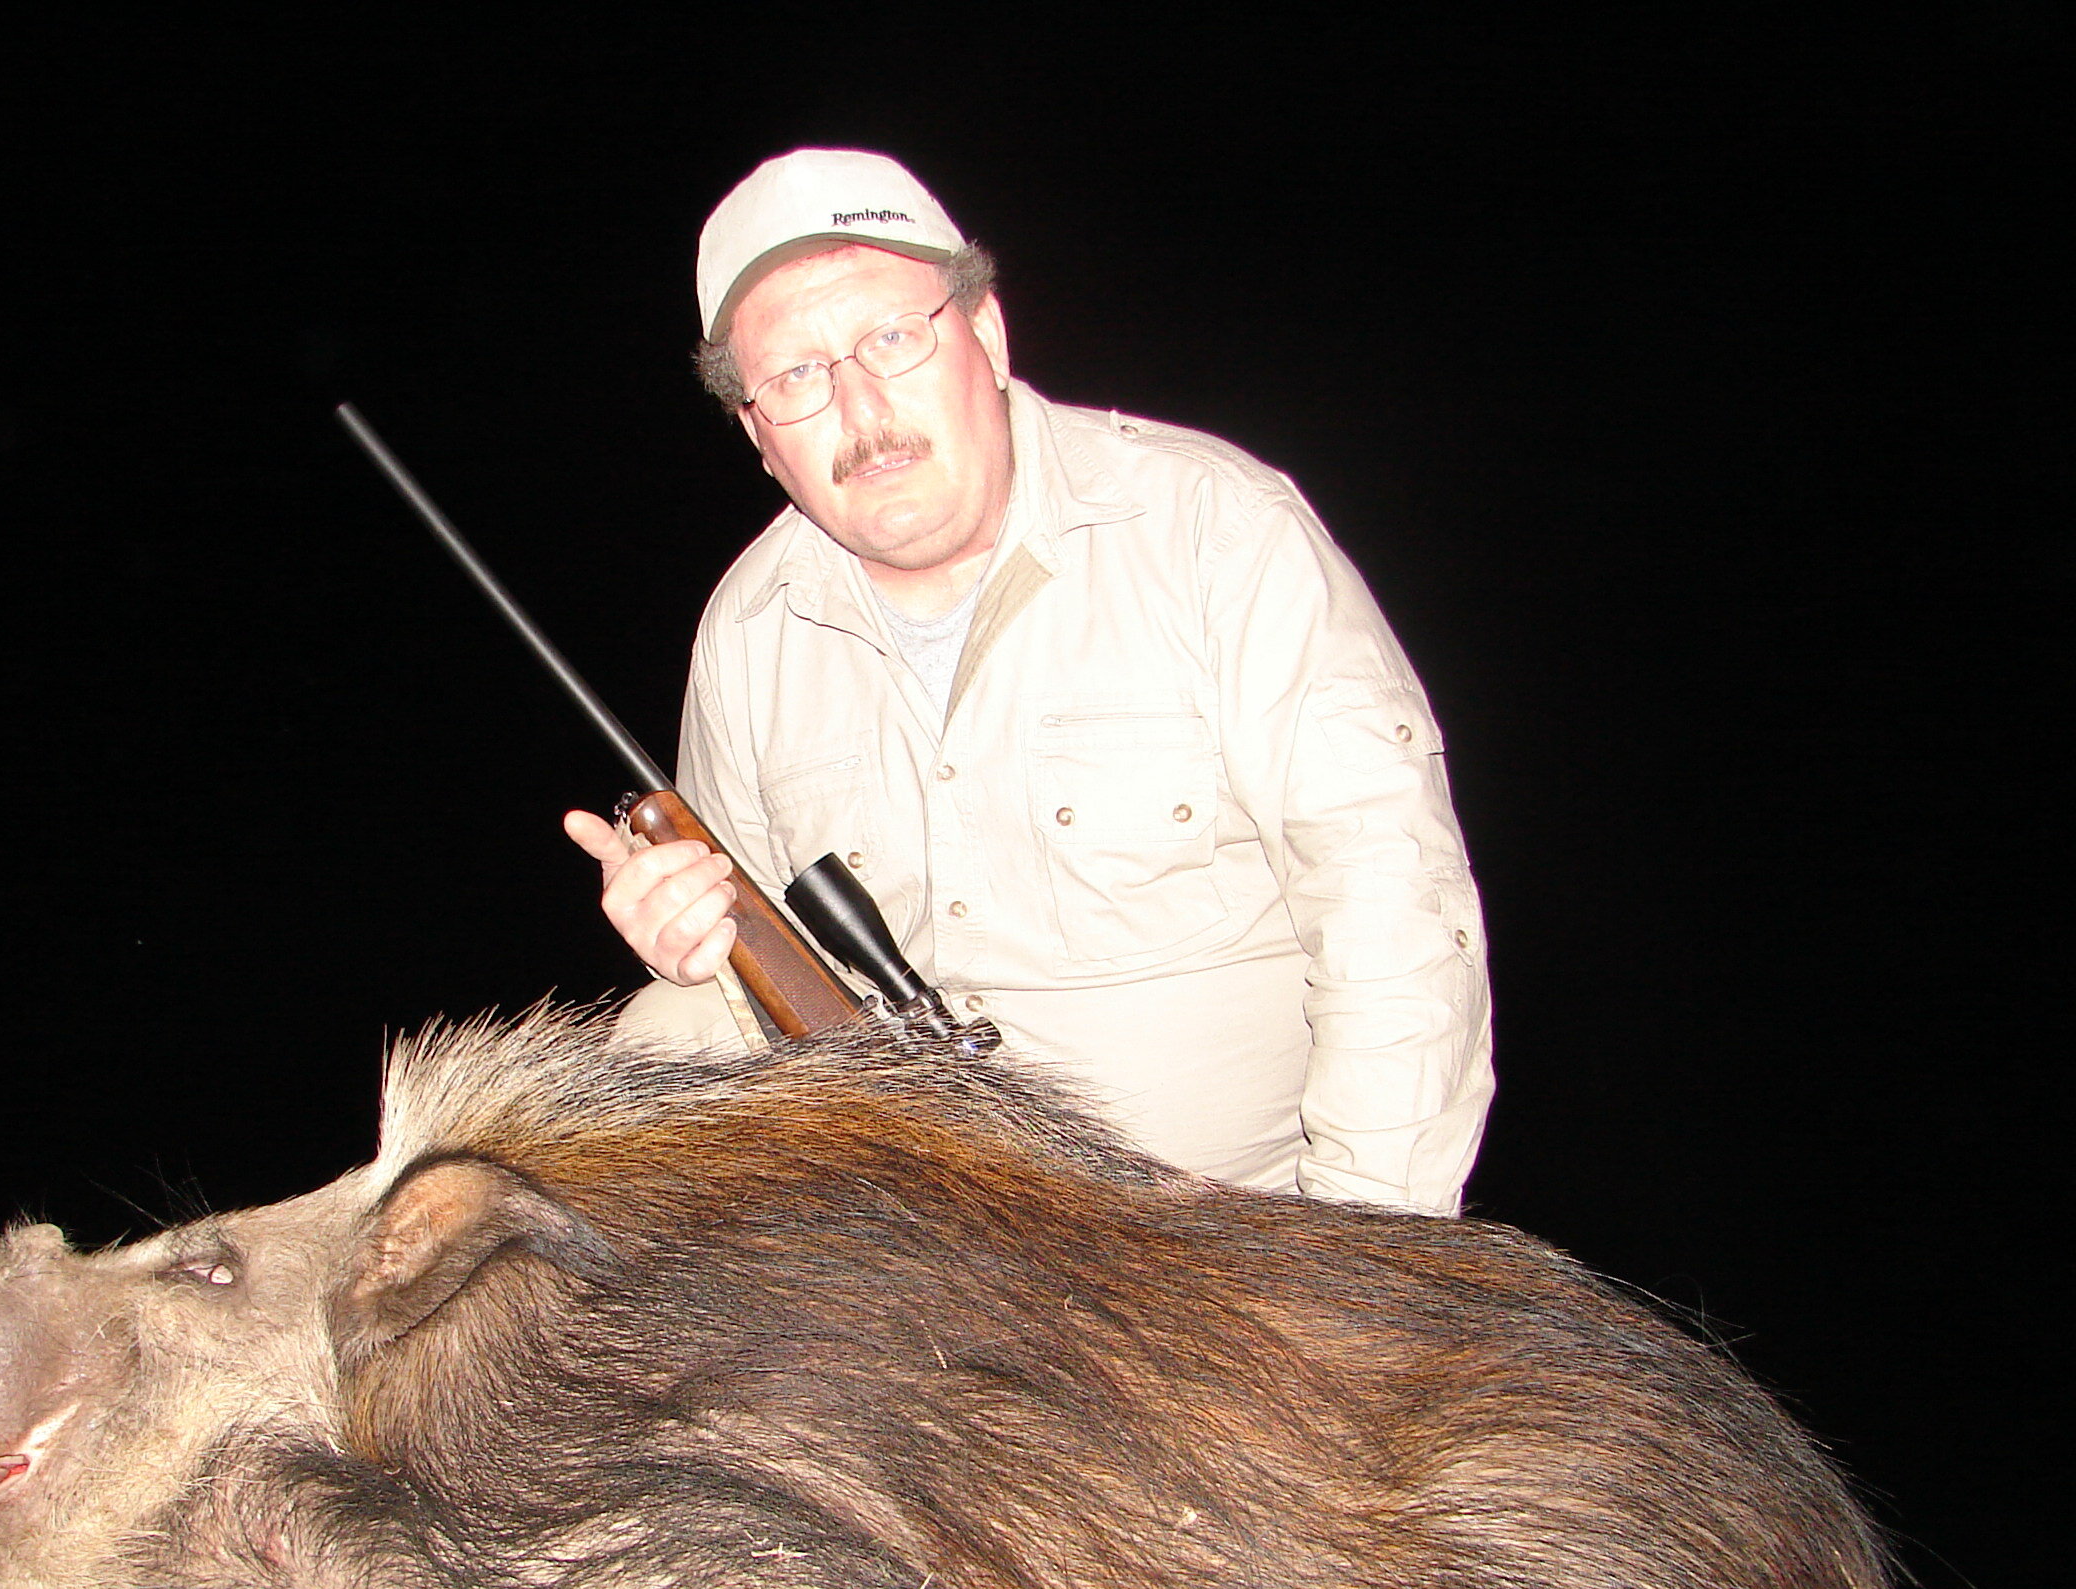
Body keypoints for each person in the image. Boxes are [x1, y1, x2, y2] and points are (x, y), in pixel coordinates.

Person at [564, 149, 1494, 1215]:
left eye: (891, 337)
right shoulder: (746, 631)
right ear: (758, 436)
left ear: (988, 336)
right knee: (643, 1053)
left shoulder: (1220, 534)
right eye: (796, 378)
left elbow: (1399, 920)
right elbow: (766, 984)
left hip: (1243, 1234)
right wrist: (696, 952)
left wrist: (1358, 1267)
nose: (862, 412)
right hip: (944, 1226)